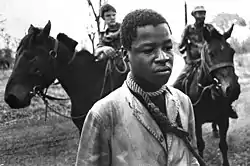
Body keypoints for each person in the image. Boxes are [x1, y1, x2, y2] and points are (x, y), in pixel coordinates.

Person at [75, 9, 201, 166]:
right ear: (126, 54)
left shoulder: (183, 102)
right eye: (148, 50)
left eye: (168, 48)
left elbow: (192, 159)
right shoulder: (104, 114)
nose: (163, 58)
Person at [177, 5, 238, 119]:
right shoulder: (188, 29)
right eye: (199, 13)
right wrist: (188, 58)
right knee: (178, 84)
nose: (202, 16)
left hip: (210, 62)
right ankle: (182, 110)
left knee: (229, 81)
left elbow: (219, 39)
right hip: (193, 62)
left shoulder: (210, 28)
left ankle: (228, 106)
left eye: (203, 13)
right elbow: (181, 47)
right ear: (194, 15)